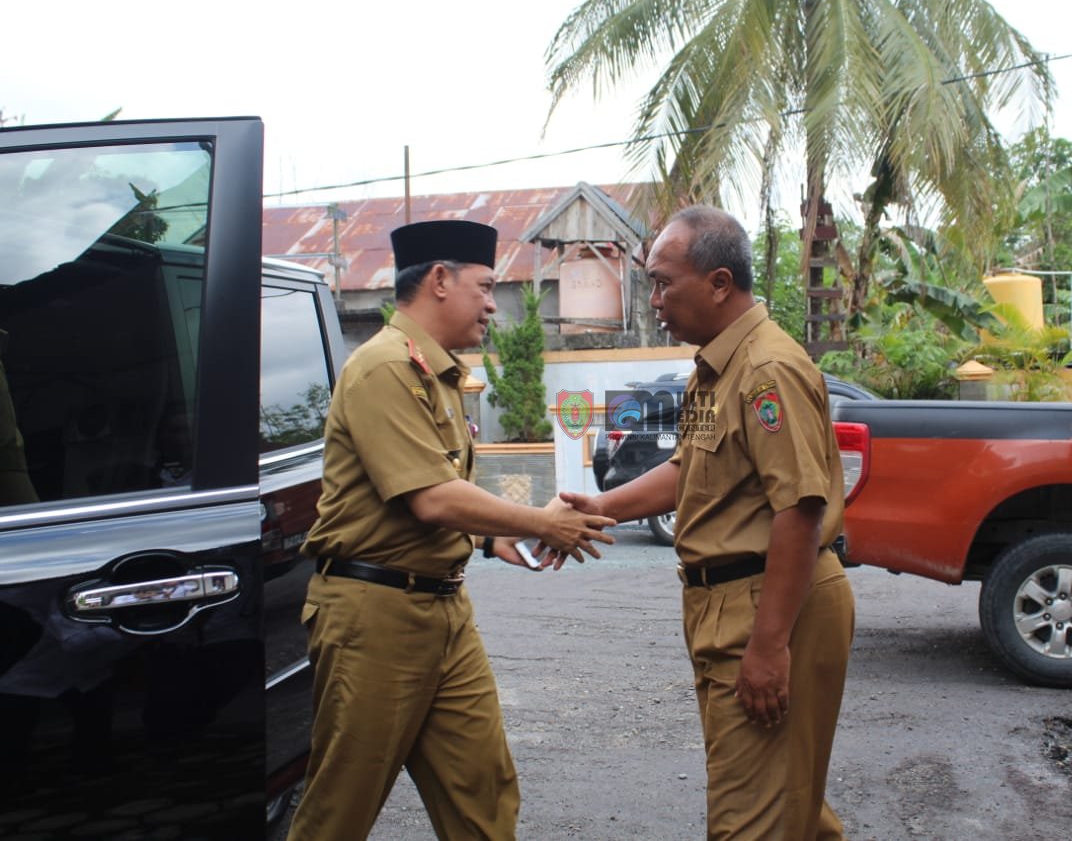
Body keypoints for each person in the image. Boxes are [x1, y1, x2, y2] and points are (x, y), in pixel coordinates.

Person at [287, 219, 615, 841]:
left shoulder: (434, 374)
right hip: (374, 616)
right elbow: (432, 498)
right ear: (439, 280)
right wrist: (544, 520)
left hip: (442, 608)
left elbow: (430, 492)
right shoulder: (383, 367)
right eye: (485, 287)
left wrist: (491, 538)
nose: (494, 304)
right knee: (341, 809)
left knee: (483, 794)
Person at [561, 205, 855, 840]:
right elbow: (686, 470)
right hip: (729, 602)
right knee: (787, 803)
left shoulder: (765, 371)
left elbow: (799, 512)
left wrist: (770, 645)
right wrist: (600, 508)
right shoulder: (712, 371)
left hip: (771, 603)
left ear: (720, 283)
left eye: (664, 283)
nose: (655, 300)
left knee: (750, 820)